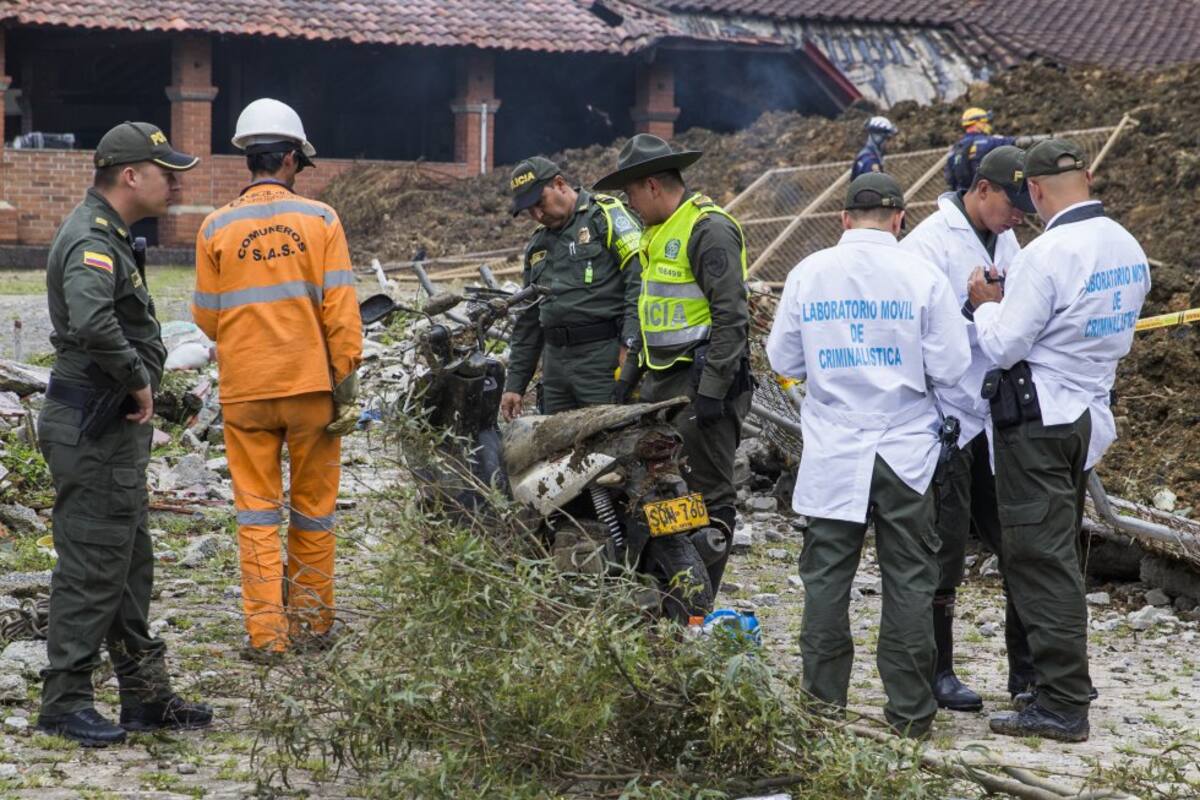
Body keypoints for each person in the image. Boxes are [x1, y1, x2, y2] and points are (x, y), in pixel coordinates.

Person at [766, 172, 970, 738]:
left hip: (834, 448)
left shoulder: (809, 273)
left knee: (827, 576)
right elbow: (952, 368)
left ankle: (822, 708)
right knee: (909, 576)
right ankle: (909, 714)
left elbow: (784, 356)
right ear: (901, 218)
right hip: (905, 450)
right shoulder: (922, 274)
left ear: (844, 218)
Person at [36, 122, 213, 746]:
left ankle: (144, 694)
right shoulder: (91, 236)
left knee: (128, 563)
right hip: (93, 423)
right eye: (167, 172)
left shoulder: (110, 233)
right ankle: (64, 701)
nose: (175, 182)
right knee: (92, 564)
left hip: (108, 427)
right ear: (131, 175)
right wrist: (140, 381)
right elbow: (91, 319)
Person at [968, 139, 1150, 742]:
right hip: (1085, 416)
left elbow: (1002, 345)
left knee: (1041, 561)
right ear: (1089, 177)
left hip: (1040, 421)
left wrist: (985, 305)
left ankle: (1064, 703)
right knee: (1059, 554)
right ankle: (1063, 684)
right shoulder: (1127, 246)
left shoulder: (1047, 254)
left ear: (1036, 192)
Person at [192, 98, 363, 660]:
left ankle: (267, 638)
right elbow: (341, 312)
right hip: (311, 388)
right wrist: (346, 383)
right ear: (290, 158)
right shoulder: (320, 220)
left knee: (257, 513)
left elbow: (207, 319)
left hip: (246, 393)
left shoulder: (215, 226)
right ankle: (313, 627)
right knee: (314, 507)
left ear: (250, 157)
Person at [900, 146, 1034, 712]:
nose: (1019, 216)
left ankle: (1027, 674)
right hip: (947, 413)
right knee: (946, 544)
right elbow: (909, 323)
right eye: (1011, 203)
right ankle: (939, 669)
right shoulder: (928, 242)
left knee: (1016, 542)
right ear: (981, 190)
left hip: (995, 410)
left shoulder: (1007, 240)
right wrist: (970, 306)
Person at [595, 134, 753, 594]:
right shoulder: (655, 234)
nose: (630, 205)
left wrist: (713, 391)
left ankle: (700, 601)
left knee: (708, 495)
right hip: (664, 383)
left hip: (704, 381)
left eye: (631, 195)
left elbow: (731, 317)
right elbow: (653, 315)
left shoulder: (708, 229)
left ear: (653, 186)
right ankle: (675, 593)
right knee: (668, 489)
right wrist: (628, 379)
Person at [500, 156, 641, 419]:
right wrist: (515, 384)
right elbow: (529, 317)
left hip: (602, 359)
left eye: (539, 203)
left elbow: (640, 280)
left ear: (560, 184)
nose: (538, 215)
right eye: (529, 211)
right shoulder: (537, 245)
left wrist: (629, 348)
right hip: (555, 367)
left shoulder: (604, 216)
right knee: (557, 450)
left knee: (607, 443)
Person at [945, 107, 1046, 192]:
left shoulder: (955, 148)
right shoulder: (990, 141)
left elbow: (949, 178)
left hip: (963, 196)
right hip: (986, 193)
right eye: (985, 122)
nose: (988, 125)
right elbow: (1017, 142)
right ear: (978, 123)